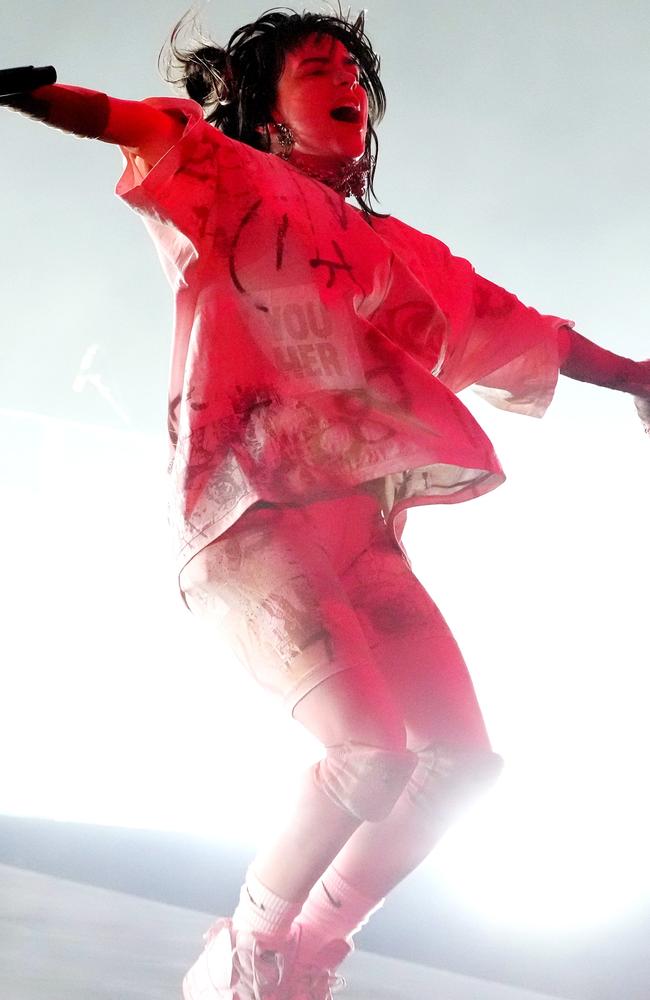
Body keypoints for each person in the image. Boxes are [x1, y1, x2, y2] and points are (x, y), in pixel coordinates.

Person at [3, 7, 649, 999]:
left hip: (360, 536)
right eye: (316, 65)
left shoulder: (406, 257)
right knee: (365, 752)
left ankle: (312, 950)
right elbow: (141, 125)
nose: (344, 76)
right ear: (263, 113)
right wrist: (39, 97)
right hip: (250, 521)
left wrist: (635, 376)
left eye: (350, 66)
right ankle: (247, 952)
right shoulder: (229, 180)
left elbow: (528, 331)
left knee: (458, 765)